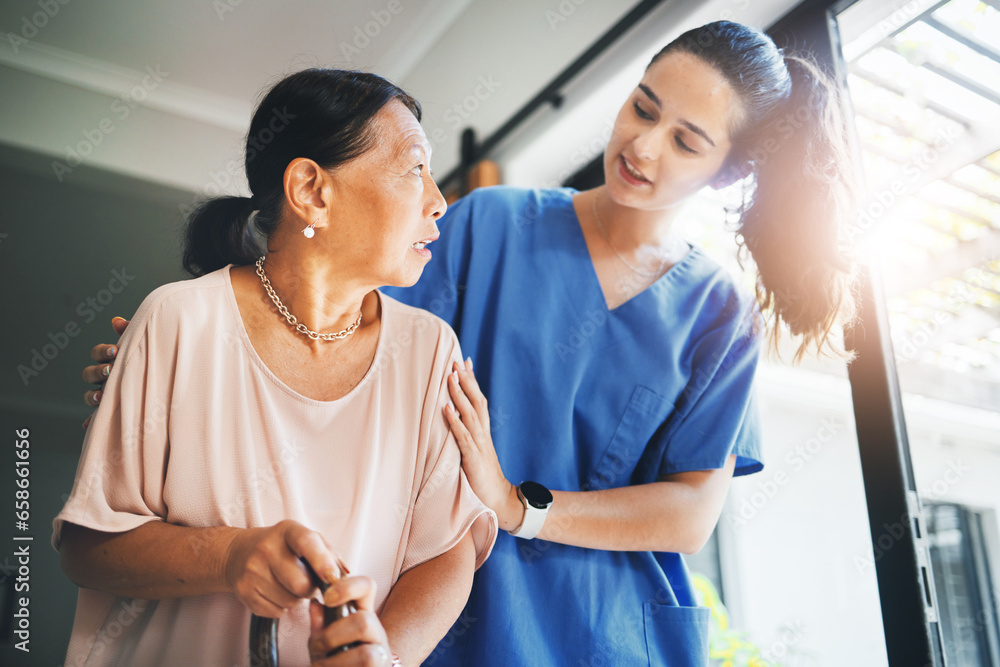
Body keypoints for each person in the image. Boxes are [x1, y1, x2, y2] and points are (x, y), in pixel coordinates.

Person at [81, 21, 856, 666]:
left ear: (725, 172)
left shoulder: (717, 313)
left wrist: (518, 507)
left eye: (687, 140)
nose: (644, 146)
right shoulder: (491, 225)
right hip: (457, 611)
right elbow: (334, 318)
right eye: (642, 107)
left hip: (614, 630)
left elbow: (690, 513)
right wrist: (182, 371)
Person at [57, 68, 497, 667]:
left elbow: (445, 551)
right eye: (415, 168)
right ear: (312, 189)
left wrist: (382, 657)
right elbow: (86, 548)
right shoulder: (177, 321)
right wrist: (229, 556)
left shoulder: (428, 352)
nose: (439, 201)